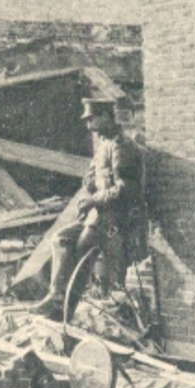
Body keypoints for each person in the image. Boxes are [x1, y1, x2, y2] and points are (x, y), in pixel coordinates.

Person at [33, 98, 145, 321]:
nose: (89, 126)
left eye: (92, 119)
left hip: (116, 216)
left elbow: (125, 189)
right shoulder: (103, 144)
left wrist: (94, 200)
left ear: (106, 116)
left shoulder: (123, 145)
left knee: (84, 246)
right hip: (99, 214)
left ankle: (65, 309)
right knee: (61, 238)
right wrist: (89, 184)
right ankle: (56, 297)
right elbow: (95, 177)